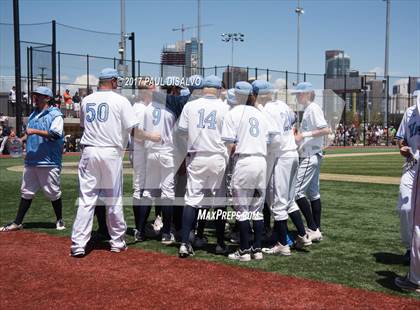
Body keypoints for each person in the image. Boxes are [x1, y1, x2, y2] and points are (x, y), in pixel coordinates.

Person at [70, 68, 138, 257]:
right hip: (110, 152)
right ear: (114, 81)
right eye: (117, 81)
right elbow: (132, 129)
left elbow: (84, 126)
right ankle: (117, 241)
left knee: (86, 199)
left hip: (89, 150)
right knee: (113, 199)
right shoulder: (121, 100)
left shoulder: (87, 99)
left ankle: (78, 245)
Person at [249, 80, 312, 256]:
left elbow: (273, 139)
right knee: (289, 200)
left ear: (258, 94)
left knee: (277, 202)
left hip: (280, 156)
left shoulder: (266, 110)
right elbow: (292, 121)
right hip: (291, 153)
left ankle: (283, 244)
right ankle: (302, 234)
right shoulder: (282, 105)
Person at [222, 81, 275, 262]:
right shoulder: (260, 114)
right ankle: (257, 249)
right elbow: (268, 141)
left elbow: (230, 145)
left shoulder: (233, 113)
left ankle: (244, 251)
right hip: (261, 162)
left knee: (242, 209)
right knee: (257, 210)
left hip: (244, 161)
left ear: (237, 95)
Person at [177, 75, 230, 258]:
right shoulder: (225, 107)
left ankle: (184, 243)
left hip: (196, 156)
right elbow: (230, 137)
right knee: (219, 201)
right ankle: (220, 244)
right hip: (217, 157)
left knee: (191, 199)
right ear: (219, 89)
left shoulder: (190, 105)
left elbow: (181, 132)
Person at [0, 86, 65, 232]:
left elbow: (55, 134)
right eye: (35, 95)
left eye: (39, 95)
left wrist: (34, 131)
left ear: (47, 98)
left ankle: (59, 219)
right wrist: (19, 139)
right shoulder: (33, 114)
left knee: (53, 192)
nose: (35, 98)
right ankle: (17, 222)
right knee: (26, 191)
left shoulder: (56, 115)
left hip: (48, 161)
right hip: (31, 159)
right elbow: (28, 134)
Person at [292, 82, 330, 242]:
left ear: (307, 93)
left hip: (310, 155)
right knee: (313, 193)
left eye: (299, 93)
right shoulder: (309, 109)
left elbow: (326, 129)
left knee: (296, 192)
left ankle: (313, 227)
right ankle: (317, 229)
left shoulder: (313, 108)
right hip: (313, 154)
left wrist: (303, 135)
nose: (297, 96)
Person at [395, 92, 420, 293]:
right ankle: (409, 248)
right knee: (405, 208)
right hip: (411, 166)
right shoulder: (410, 112)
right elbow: (400, 139)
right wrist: (402, 148)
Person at [132, 82, 162, 242]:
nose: (155, 89)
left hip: (147, 152)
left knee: (148, 189)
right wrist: (152, 137)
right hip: (140, 151)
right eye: (151, 87)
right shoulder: (139, 108)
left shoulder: (150, 106)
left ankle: (141, 227)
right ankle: (139, 228)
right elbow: (136, 133)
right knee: (140, 188)